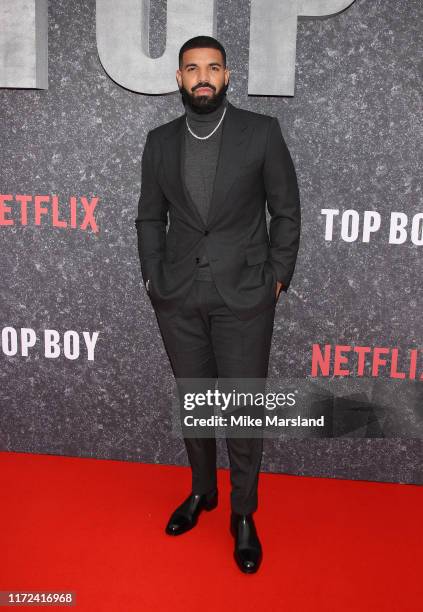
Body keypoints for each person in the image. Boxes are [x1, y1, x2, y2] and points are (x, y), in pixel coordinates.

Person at [135, 35, 301, 573]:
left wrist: (276, 278)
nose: (202, 76)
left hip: (245, 296)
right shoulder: (159, 141)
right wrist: (154, 278)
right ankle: (203, 492)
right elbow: (148, 218)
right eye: (191, 68)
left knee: (242, 408)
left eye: (212, 67)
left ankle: (243, 513)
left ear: (227, 76)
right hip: (179, 295)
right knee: (195, 402)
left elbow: (287, 212)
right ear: (179, 79)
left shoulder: (261, 133)